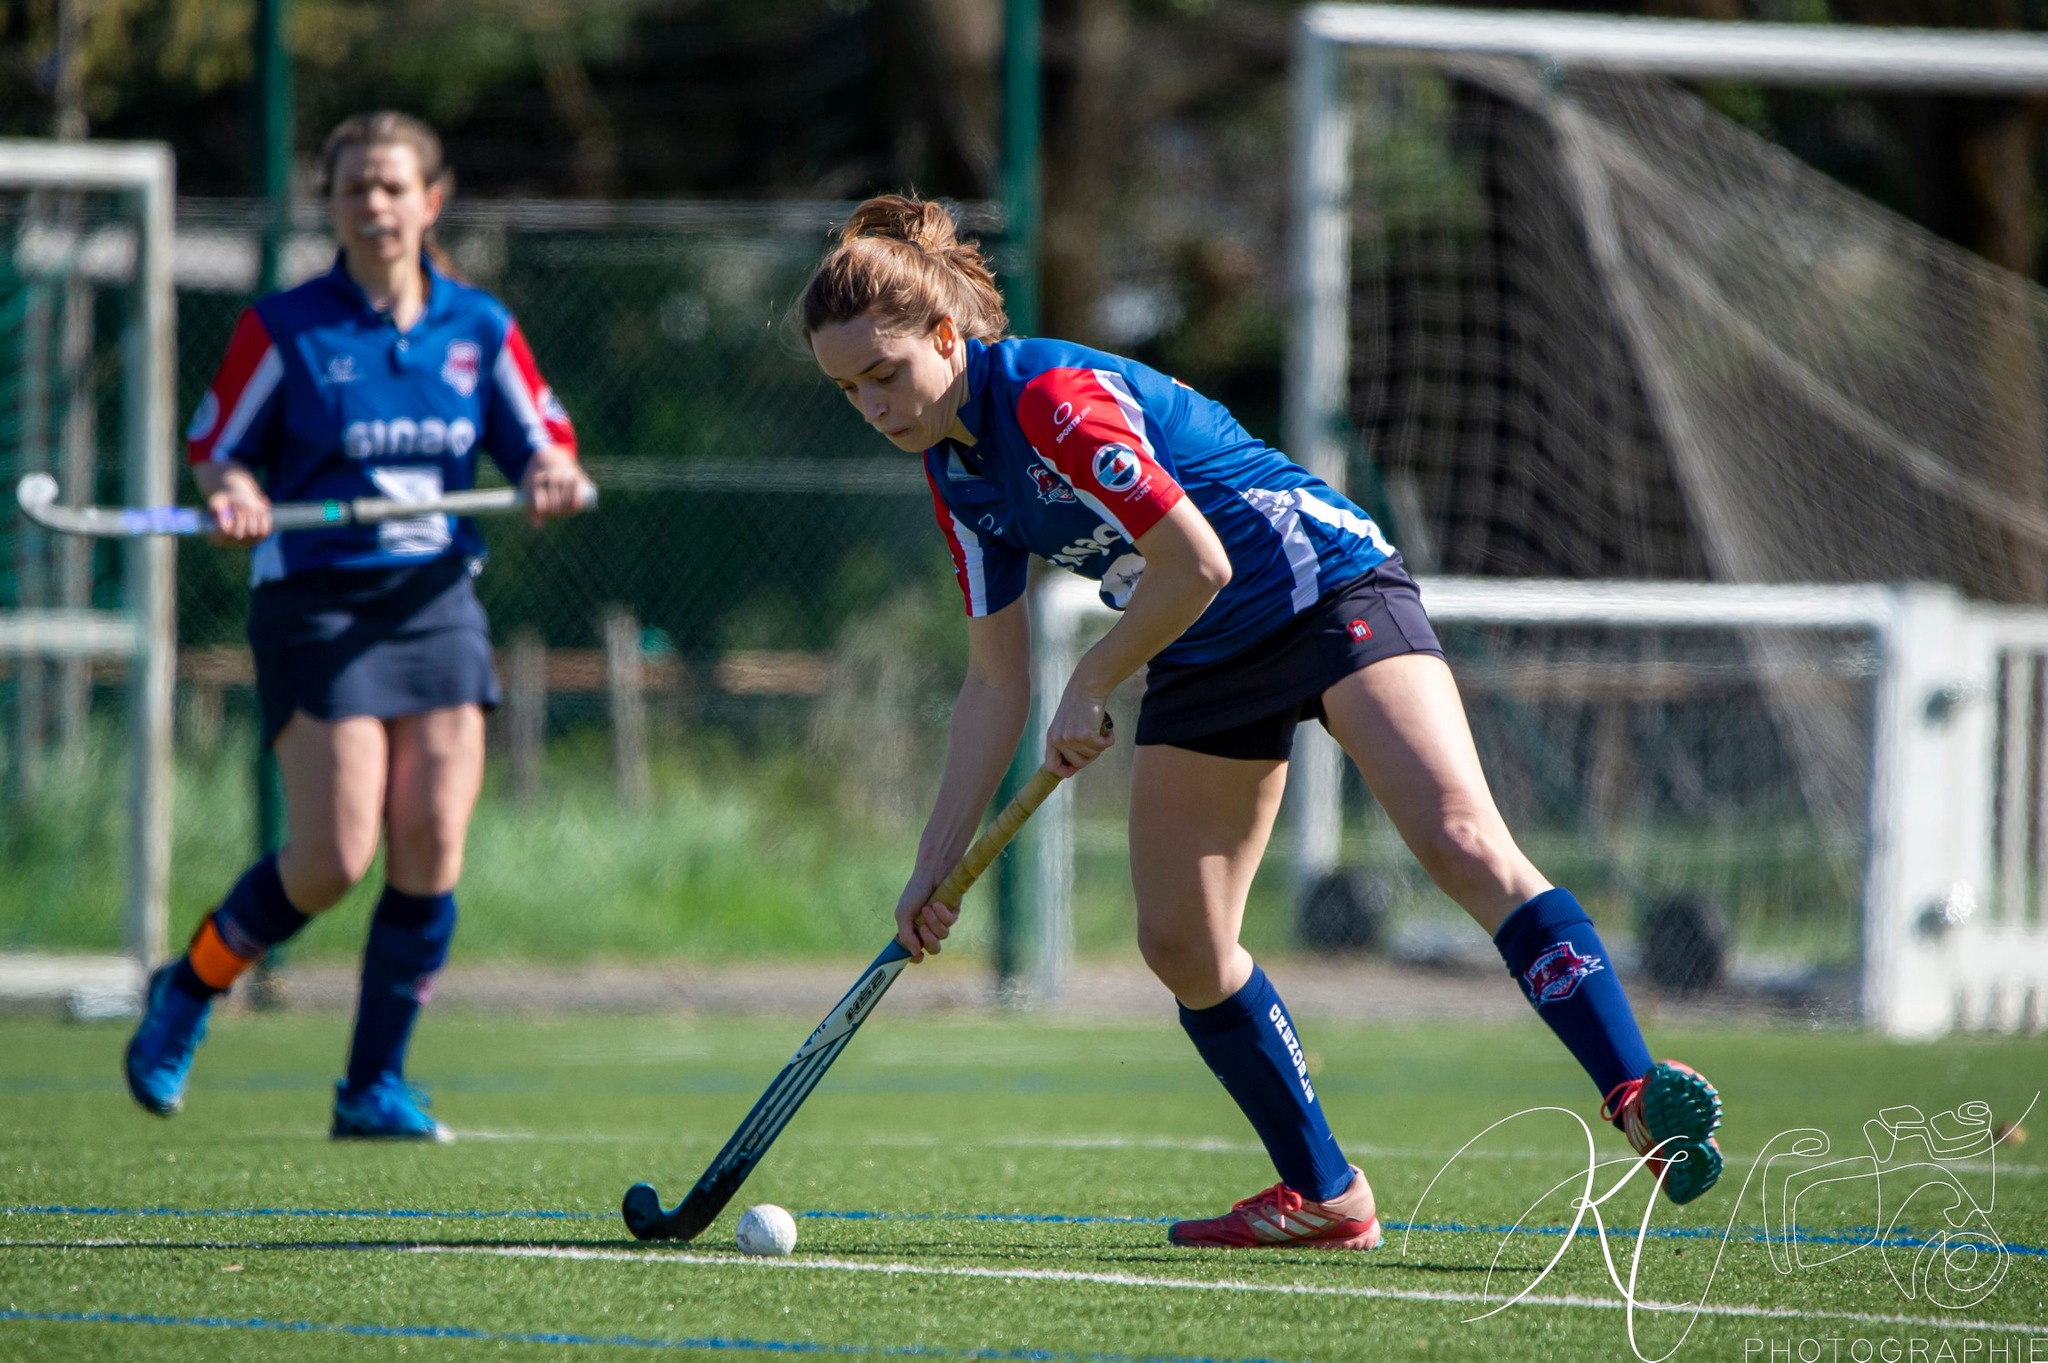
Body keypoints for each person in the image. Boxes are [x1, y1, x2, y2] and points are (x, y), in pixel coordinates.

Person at [800, 195, 1724, 1248]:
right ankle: (1325, 1192)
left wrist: (1092, 678)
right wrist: (933, 866)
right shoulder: (956, 475)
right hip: (1203, 650)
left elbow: (1197, 560)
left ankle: (1636, 1094)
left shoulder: (1052, 401)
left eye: (883, 374)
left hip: (1326, 591)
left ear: (943, 336)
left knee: (1463, 840)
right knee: (1182, 941)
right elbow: (991, 683)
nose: (872, 405)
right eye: (847, 390)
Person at [123, 111, 591, 1140]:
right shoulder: (285, 328)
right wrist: (236, 493)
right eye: (352, 188)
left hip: (436, 601)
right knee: (332, 857)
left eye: (391, 186)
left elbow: (542, 442)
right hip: (318, 603)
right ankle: (190, 985)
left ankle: (371, 1085)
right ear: (330, 205)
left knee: (430, 836)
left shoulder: (478, 327)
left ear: (431, 200)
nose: (372, 204)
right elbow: (218, 449)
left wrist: (553, 473)